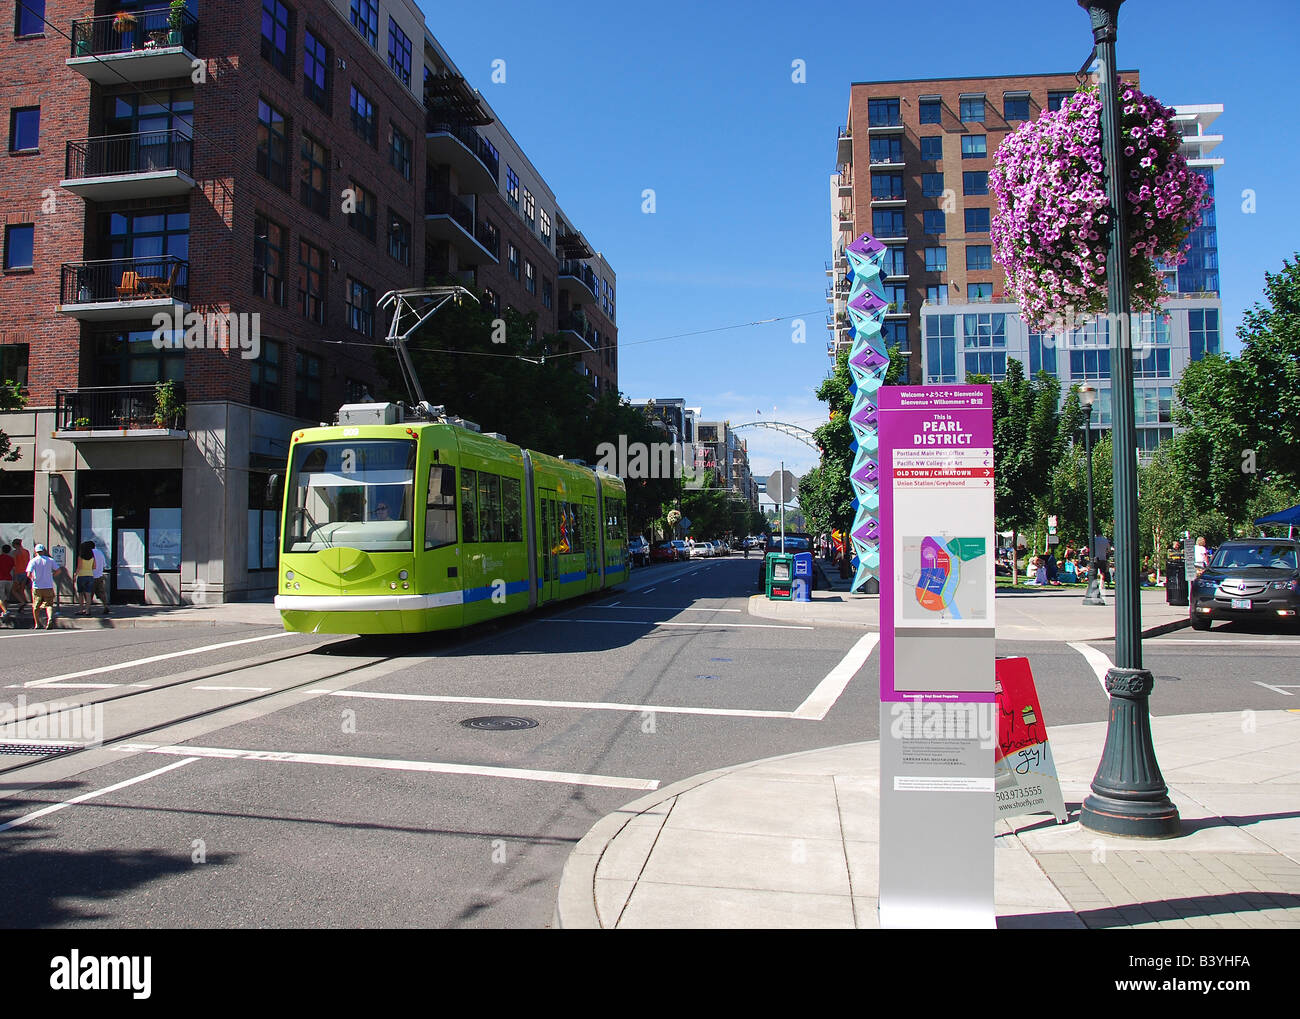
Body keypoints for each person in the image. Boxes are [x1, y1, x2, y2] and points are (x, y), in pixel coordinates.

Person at [25, 543, 67, 630]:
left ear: (35, 552)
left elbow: (28, 574)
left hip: (37, 586)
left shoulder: (33, 561)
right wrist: (52, 575)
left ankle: (37, 623)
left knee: (36, 606)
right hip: (48, 585)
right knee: (49, 604)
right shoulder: (50, 560)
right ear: (43, 551)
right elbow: (58, 570)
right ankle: (50, 619)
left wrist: (33, 579)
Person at [74, 541, 97, 616]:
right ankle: (87, 611)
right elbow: (94, 567)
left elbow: (79, 567)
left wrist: (75, 575)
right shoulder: (92, 557)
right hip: (90, 576)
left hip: (81, 576)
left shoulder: (80, 557)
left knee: (81, 594)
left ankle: (81, 610)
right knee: (88, 594)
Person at [90, 541, 110, 616]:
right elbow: (104, 564)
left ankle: (88, 608)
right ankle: (105, 606)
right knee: (101, 592)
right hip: (99, 575)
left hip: (91, 575)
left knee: (89, 593)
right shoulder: (100, 553)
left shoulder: (89, 553)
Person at [10, 538, 30, 610]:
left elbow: (14, 565)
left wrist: (14, 577)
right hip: (25, 572)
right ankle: (23, 605)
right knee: (21, 590)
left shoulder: (14, 553)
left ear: (15, 545)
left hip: (17, 573)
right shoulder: (26, 552)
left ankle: (22, 602)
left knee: (14, 590)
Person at [0, 543, 12, 620]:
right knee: (6, 597)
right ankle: (3, 613)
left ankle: (5, 611)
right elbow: (13, 569)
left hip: (0, 579)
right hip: (9, 579)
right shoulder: (11, 559)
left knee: (1, 598)